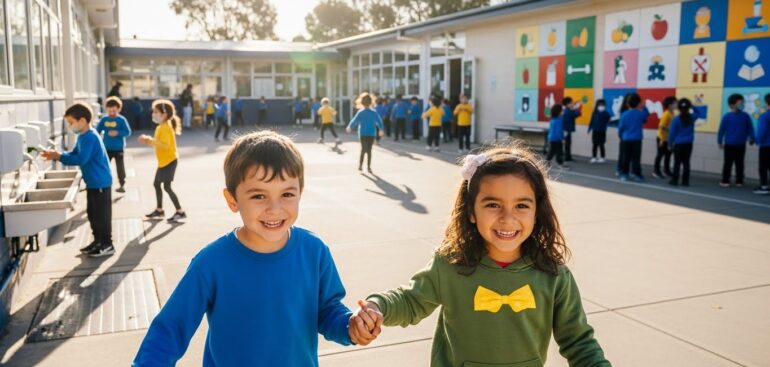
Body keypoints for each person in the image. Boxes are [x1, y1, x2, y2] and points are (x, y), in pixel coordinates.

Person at [349, 144, 610, 367]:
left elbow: (578, 341)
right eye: (493, 204)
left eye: (521, 205)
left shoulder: (553, 274)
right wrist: (377, 306)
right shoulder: (450, 264)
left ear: (537, 212)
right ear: (471, 211)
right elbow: (411, 300)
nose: (508, 218)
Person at [133, 131, 364, 366]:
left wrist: (351, 326)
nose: (275, 208)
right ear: (232, 200)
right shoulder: (211, 262)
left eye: (287, 194)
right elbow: (170, 328)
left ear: (300, 193)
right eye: (258, 196)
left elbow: (326, 310)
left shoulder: (314, 252)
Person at [41, 102, 114, 258]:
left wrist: (59, 156)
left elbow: (81, 159)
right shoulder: (83, 137)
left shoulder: (90, 137)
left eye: (71, 122)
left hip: (100, 182)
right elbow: (74, 153)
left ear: (82, 121)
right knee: (93, 214)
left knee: (102, 216)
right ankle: (98, 242)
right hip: (93, 183)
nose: (70, 126)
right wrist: (58, 154)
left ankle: (107, 244)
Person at [138, 99, 186, 223]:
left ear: (164, 114)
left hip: (169, 161)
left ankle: (180, 211)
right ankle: (159, 210)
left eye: (156, 112)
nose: (153, 114)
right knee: (157, 184)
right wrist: (150, 141)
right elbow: (160, 144)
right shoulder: (162, 126)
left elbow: (165, 145)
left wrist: (148, 140)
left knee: (167, 187)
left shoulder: (165, 127)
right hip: (164, 162)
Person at [717, 94, 756, 188]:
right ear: (732, 105)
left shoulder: (745, 116)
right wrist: (719, 141)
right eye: (740, 103)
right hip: (729, 144)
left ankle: (739, 180)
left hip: (741, 144)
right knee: (728, 163)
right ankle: (725, 180)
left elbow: (750, 128)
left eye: (742, 102)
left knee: (740, 163)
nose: (742, 104)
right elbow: (721, 130)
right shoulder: (727, 117)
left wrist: (752, 138)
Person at [96, 96, 132, 193]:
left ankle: (122, 185)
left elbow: (128, 132)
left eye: (114, 111)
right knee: (104, 166)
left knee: (120, 167)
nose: (112, 113)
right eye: (110, 110)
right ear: (106, 109)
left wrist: (118, 133)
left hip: (119, 148)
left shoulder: (121, 120)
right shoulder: (104, 119)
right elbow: (97, 131)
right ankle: (103, 184)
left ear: (119, 109)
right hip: (106, 148)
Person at [347, 93, 385, 173]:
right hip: (370, 134)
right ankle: (366, 166)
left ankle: (364, 166)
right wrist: (381, 129)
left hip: (364, 134)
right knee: (368, 150)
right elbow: (379, 122)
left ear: (361, 102)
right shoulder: (371, 112)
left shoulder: (364, 112)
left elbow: (354, 120)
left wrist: (350, 127)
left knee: (364, 149)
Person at [618, 93, 649, 182]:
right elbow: (646, 115)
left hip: (626, 139)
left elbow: (621, 128)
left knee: (625, 158)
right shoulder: (641, 114)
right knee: (636, 158)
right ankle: (637, 175)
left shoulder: (624, 114)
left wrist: (620, 136)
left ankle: (624, 175)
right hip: (637, 140)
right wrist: (643, 106)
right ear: (639, 103)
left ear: (627, 104)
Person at [668, 98, 696, 187]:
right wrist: (692, 106)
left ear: (678, 108)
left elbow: (672, 133)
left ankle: (675, 180)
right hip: (689, 143)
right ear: (688, 107)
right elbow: (700, 113)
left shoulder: (676, 119)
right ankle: (685, 181)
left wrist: (669, 143)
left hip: (679, 144)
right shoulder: (692, 117)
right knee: (686, 162)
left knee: (677, 162)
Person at [653, 96, 677, 178]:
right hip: (662, 138)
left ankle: (666, 170)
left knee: (668, 155)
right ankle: (656, 171)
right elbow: (661, 127)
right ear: (670, 105)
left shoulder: (672, 113)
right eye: (675, 103)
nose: (676, 105)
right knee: (660, 155)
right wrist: (662, 140)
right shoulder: (666, 114)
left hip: (669, 139)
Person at [754, 94, 770, 195]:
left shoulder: (765, 116)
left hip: (766, 146)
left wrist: (757, 141)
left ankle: (764, 186)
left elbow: (762, 131)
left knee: (763, 167)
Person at [587, 99, 610, 164]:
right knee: (594, 144)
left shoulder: (606, 113)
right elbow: (591, 121)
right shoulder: (594, 113)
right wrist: (589, 128)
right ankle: (594, 157)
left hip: (602, 131)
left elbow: (608, 120)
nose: (601, 106)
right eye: (599, 105)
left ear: (604, 106)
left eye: (602, 105)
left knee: (601, 144)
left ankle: (602, 157)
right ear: (597, 105)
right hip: (595, 131)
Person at [546, 104, 568, 168]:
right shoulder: (558, 120)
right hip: (556, 139)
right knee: (558, 152)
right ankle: (559, 164)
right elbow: (559, 131)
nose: (563, 112)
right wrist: (562, 139)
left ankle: (549, 163)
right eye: (562, 111)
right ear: (558, 112)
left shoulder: (553, 119)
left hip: (552, 138)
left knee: (553, 151)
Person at [561, 97, 581, 161]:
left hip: (566, 130)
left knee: (568, 144)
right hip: (566, 130)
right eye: (571, 103)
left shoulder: (567, 110)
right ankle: (567, 157)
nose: (573, 104)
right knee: (567, 144)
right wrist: (576, 108)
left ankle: (568, 156)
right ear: (567, 104)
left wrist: (574, 108)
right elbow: (577, 114)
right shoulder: (568, 111)